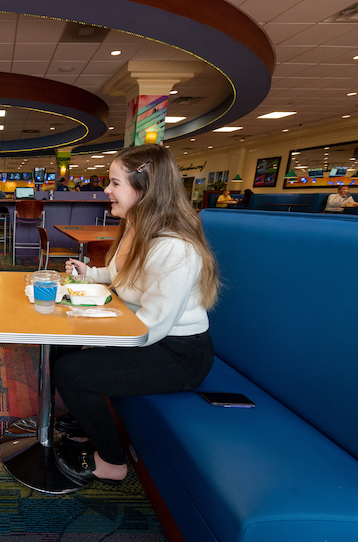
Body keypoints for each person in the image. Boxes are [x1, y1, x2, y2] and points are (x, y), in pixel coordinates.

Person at [54, 144, 219, 486]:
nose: (106, 190)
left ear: (145, 190)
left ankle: (112, 461)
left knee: (71, 371)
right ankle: (86, 425)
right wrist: (91, 274)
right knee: (61, 345)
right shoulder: (135, 225)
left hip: (178, 353)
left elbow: (151, 327)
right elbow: (122, 276)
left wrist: (96, 337)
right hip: (148, 335)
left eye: (115, 183)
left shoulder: (174, 247)